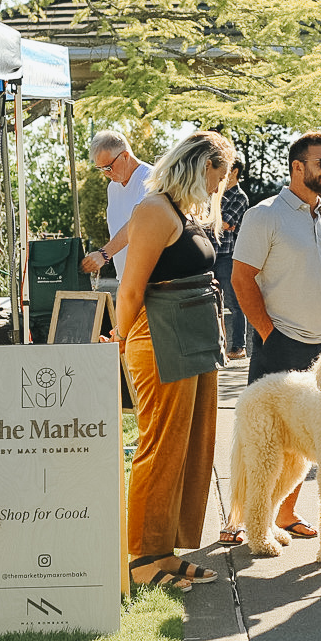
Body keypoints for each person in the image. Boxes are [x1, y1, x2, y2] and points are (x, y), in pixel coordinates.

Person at [115, 131, 234, 591]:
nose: (218, 187)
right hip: (160, 338)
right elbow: (130, 288)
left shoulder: (182, 212)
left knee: (191, 446)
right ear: (201, 165)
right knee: (160, 445)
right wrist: (120, 338)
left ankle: (164, 549)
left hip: (194, 338)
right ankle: (142, 557)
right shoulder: (153, 210)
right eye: (217, 177)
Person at [231, 131, 321, 542]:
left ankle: (284, 514)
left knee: (305, 440)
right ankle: (239, 521)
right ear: (298, 167)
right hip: (282, 344)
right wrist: (269, 333)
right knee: (261, 442)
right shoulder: (264, 215)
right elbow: (241, 278)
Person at [81, 130, 151, 278]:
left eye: (108, 167)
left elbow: (138, 223)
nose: (106, 173)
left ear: (125, 156)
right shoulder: (113, 187)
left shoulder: (150, 179)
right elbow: (118, 230)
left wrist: (104, 254)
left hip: (153, 281)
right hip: (125, 280)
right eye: (100, 169)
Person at [216, 160, 250, 359]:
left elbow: (227, 222)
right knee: (213, 304)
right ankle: (219, 347)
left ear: (234, 171)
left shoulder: (240, 197)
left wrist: (216, 221)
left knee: (234, 303)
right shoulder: (214, 193)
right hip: (210, 253)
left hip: (227, 255)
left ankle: (239, 346)